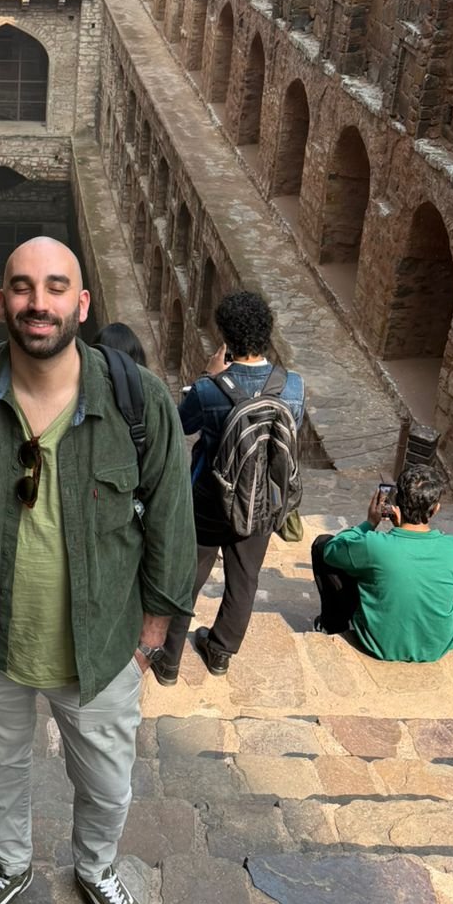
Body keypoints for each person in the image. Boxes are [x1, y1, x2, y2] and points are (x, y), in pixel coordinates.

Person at [0, 237, 195, 904]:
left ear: (81, 302)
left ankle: (96, 865)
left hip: (102, 643)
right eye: (21, 287)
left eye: (53, 287)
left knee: (107, 781)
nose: (36, 303)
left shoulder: (138, 402)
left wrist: (153, 635)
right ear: (2, 300)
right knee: (1, 764)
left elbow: (171, 516)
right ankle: (10, 863)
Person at [154, 290, 303, 683]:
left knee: (189, 576)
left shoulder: (209, 389)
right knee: (244, 577)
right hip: (260, 501)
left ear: (226, 338)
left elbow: (178, 425)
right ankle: (220, 653)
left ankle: (169, 662)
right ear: (267, 333)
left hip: (208, 497)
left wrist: (208, 376)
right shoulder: (293, 387)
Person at [311, 463, 453, 662]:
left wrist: (369, 523)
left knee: (322, 543)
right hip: (440, 644)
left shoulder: (374, 545)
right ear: (435, 510)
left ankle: (332, 624)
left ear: (396, 504)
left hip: (380, 644)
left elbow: (331, 550)